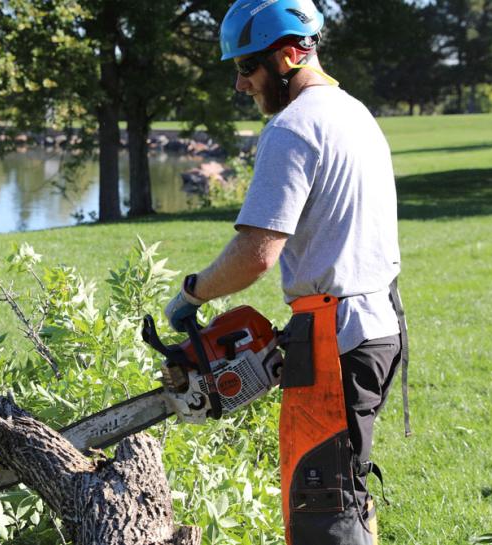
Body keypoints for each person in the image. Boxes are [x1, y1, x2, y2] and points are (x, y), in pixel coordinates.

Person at [163, 1, 409, 544]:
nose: (240, 84)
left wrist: (192, 293)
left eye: (247, 68)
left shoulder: (292, 128)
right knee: (345, 484)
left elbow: (256, 253)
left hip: (336, 335)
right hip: (376, 323)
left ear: (290, 55)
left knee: (321, 501)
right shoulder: (353, 113)